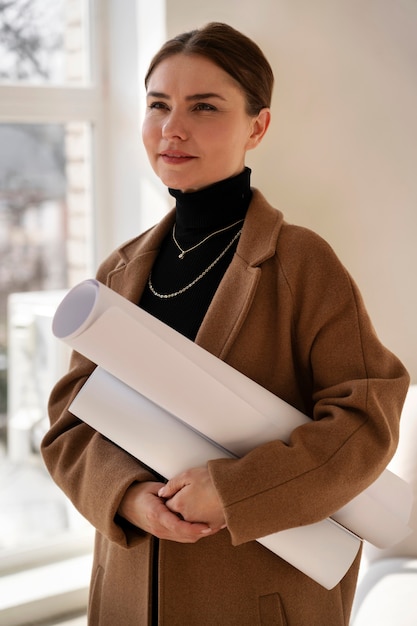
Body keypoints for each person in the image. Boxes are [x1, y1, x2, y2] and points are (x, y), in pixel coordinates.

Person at [41, 22, 409, 626]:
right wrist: (128, 498)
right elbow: (69, 425)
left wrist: (235, 491)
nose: (172, 129)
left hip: (263, 596)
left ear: (257, 126)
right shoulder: (120, 270)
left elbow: (366, 419)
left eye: (204, 107)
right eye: (158, 105)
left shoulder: (302, 263)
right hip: (130, 595)